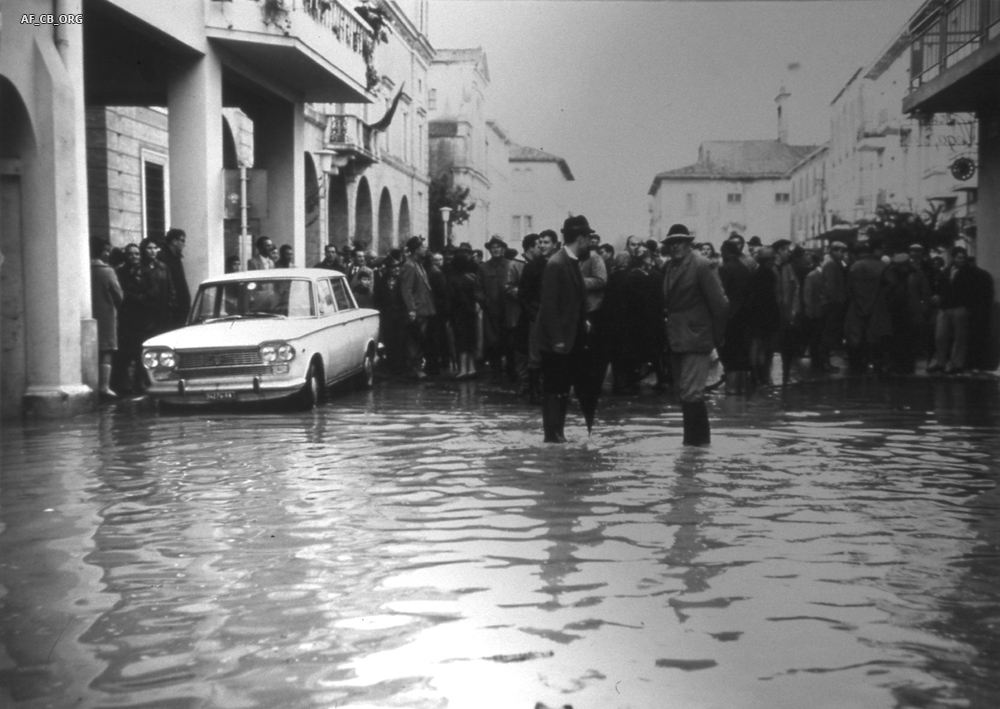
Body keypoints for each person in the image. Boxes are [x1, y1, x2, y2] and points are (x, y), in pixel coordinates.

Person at [662, 224, 728, 445]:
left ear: (688, 243)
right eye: (671, 243)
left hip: (697, 338)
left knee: (691, 394)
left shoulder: (702, 265)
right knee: (685, 394)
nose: (675, 246)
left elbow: (720, 305)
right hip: (676, 338)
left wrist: (715, 339)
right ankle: (695, 447)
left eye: (680, 241)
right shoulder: (670, 267)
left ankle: (695, 448)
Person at [534, 215, 592, 443]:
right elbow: (549, 305)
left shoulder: (571, 261)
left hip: (569, 336)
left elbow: (572, 298)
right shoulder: (557, 263)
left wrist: (583, 320)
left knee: (562, 388)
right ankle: (552, 437)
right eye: (589, 239)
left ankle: (558, 434)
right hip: (556, 340)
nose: (591, 243)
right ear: (580, 238)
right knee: (554, 388)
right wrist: (557, 339)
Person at [518, 229, 556, 403]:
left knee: (556, 354)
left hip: (558, 315)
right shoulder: (532, 266)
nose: (542, 245)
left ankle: (553, 392)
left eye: (546, 242)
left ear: (555, 244)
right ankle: (534, 393)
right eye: (540, 242)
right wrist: (533, 314)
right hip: (537, 313)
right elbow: (523, 295)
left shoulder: (563, 264)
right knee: (535, 356)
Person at [844, 240, 892, 376]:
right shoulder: (881, 266)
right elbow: (891, 284)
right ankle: (878, 367)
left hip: (856, 308)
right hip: (877, 308)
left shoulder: (853, 267)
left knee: (856, 338)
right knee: (876, 338)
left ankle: (857, 369)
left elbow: (848, 289)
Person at [928, 246, 976, 374]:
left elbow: (971, 291)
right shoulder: (947, 271)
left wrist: (967, 306)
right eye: (959, 257)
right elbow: (941, 287)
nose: (962, 260)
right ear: (954, 258)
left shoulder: (969, 272)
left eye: (963, 258)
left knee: (959, 337)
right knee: (940, 336)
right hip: (946, 307)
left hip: (959, 306)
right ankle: (941, 362)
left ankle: (956, 364)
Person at [91, 237, 124, 400]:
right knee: (106, 351)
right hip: (106, 315)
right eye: (107, 250)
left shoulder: (84, 269)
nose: (108, 254)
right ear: (102, 251)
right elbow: (119, 296)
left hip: (89, 314)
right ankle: (104, 386)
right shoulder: (107, 271)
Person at [717, 239, 753, 392]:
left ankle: (731, 388)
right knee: (742, 352)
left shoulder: (725, 269)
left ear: (726, 252)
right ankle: (742, 387)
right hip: (744, 316)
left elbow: (722, 295)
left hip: (730, 317)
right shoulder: (744, 268)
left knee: (730, 352)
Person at [399, 236, 435, 379]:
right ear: (415, 250)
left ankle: (418, 367)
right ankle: (415, 369)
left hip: (425, 308)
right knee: (415, 339)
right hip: (418, 309)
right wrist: (412, 309)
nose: (425, 249)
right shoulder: (409, 265)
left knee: (420, 339)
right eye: (422, 248)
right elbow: (406, 290)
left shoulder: (418, 263)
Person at [447, 247, 484, 380]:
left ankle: (462, 369)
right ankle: (472, 368)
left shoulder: (452, 278)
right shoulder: (471, 278)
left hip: (458, 314)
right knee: (470, 341)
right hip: (470, 314)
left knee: (460, 342)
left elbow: (451, 298)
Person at [480, 236, 513, 379]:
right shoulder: (483, 267)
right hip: (491, 311)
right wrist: (486, 302)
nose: (495, 250)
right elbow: (477, 289)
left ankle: (511, 371)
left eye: (498, 247)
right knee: (492, 342)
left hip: (508, 310)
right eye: (492, 247)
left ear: (503, 249)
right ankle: (496, 371)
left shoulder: (511, 265)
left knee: (510, 341)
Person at [157, 228, 191, 328]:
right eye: (182, 240)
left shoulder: (177, 257)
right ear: (174, 241)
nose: (184, 244)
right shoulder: (163, 257)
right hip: (171, 307)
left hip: (180, 305)